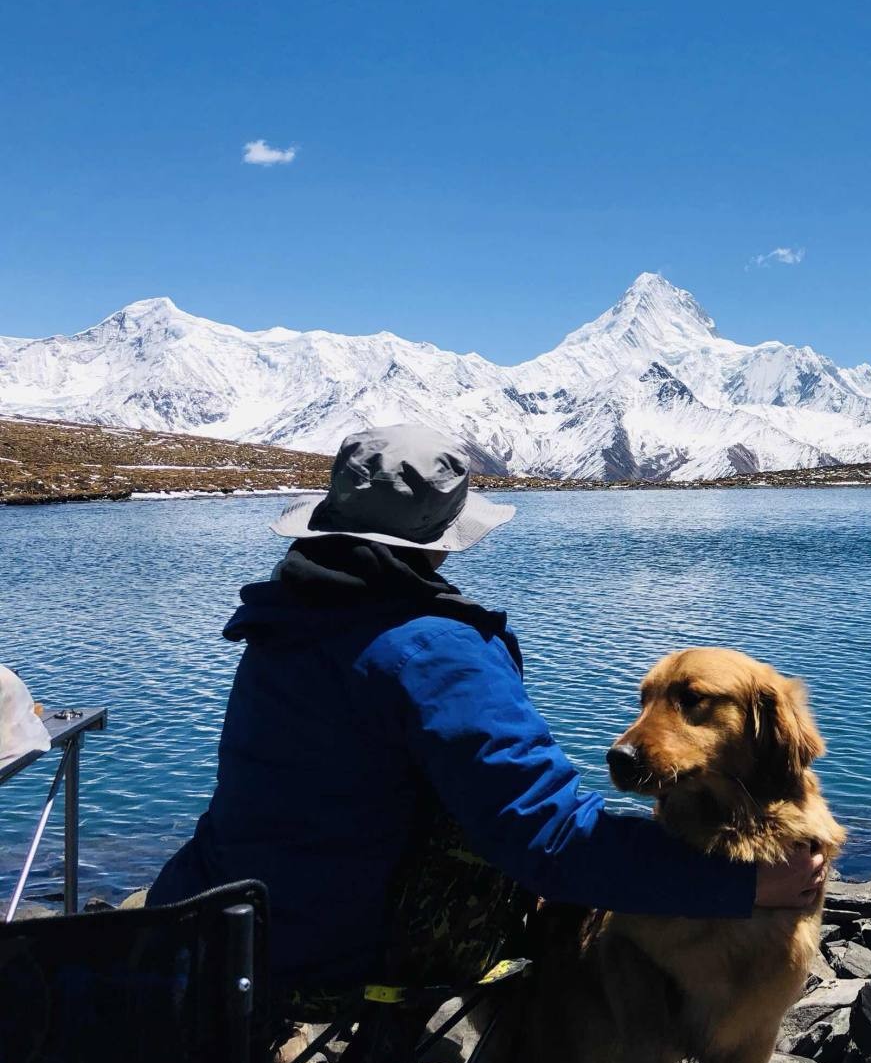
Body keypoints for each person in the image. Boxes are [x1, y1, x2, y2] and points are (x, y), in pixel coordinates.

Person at [150, 424, 825, 1000]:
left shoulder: (284, 626)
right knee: (570, 931)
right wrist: (745, 884)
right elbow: (549, 836)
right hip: (342, 951)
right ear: (441, 536)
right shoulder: (437, 653)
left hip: (220, 917)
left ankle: (270, 1058)